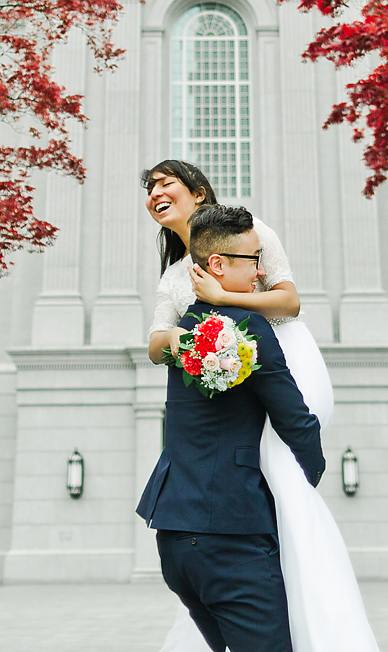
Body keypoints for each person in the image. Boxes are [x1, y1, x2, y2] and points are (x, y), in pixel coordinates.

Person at [142, 162, 381, 652]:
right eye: (150, 188)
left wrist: (223, 298)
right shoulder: (178, 286)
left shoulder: (247, 235)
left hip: (177, 518)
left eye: (166, 184)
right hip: (230, 517)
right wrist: (197, 343)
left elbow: (289, 302)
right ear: (220, 264)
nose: (155, 193)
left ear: (199, 192)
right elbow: (158, 342)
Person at [137, 204, 324, 652]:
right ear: (217, 264)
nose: (261, 272)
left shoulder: (184, 329)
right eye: (254, 259)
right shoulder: (249, 326)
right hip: (231, 536)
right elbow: (296, 423)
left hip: (174, 537)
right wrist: (306, 491)